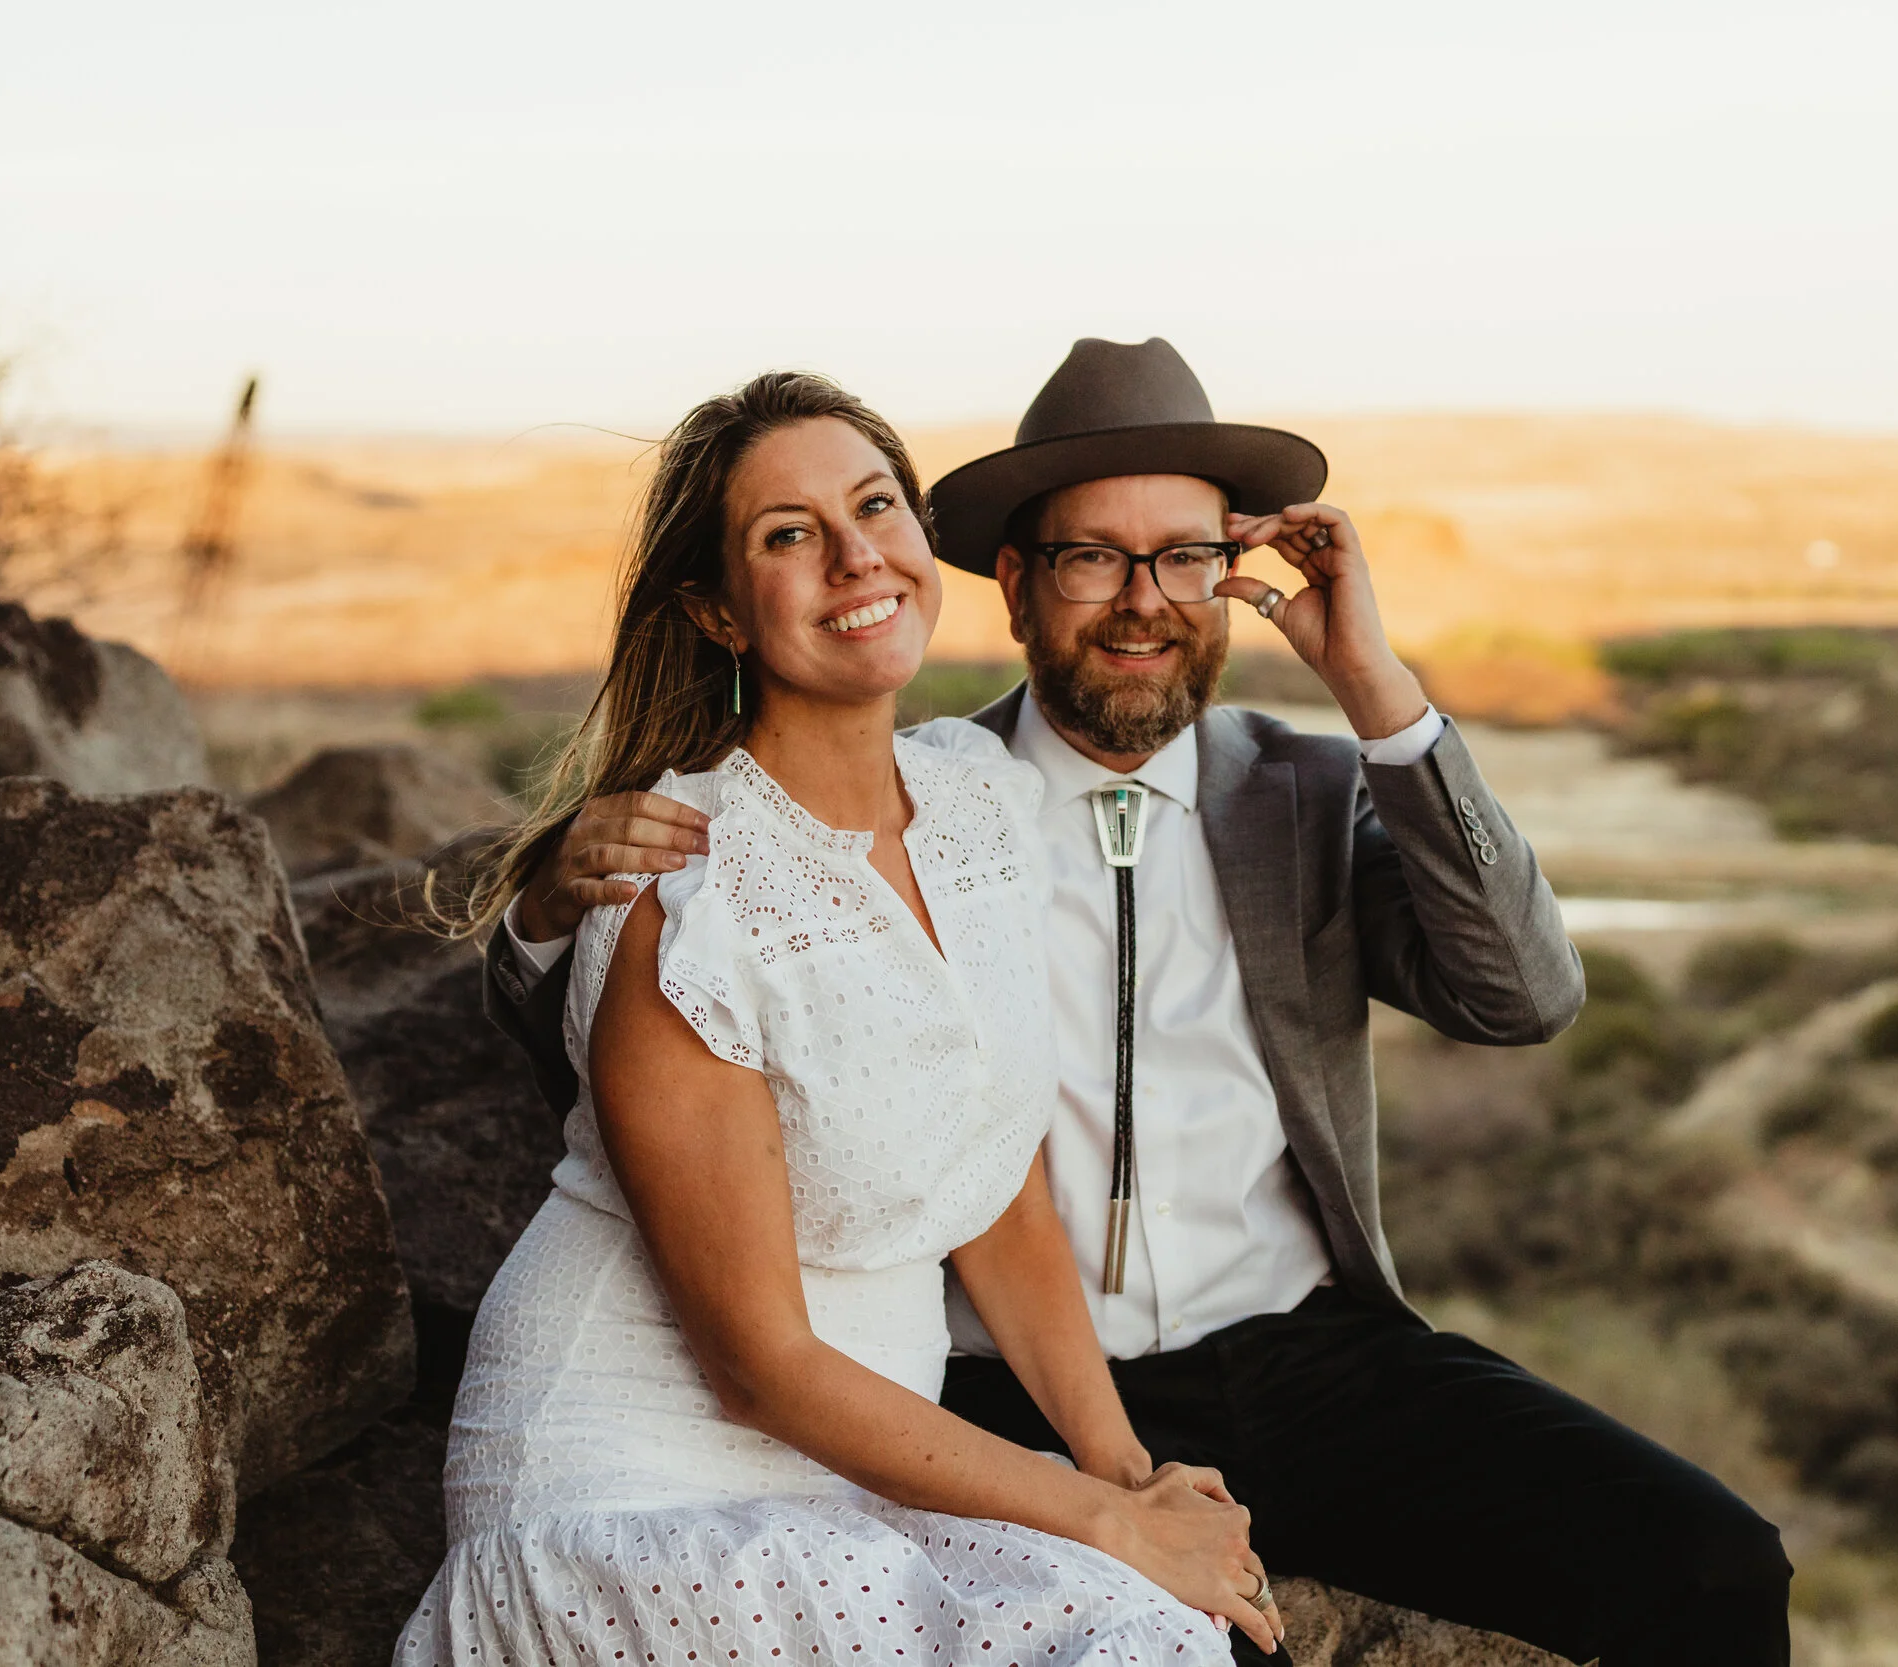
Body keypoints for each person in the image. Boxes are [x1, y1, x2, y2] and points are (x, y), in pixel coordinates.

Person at [489, 339, 1795, 1667]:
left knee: (1709, 1564)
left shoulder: (1303, 789)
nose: (1141, 600)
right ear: (1012, 582)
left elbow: (1522, 993)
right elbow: (659, 1024)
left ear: (1230, 581)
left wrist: (1376, 690)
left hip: (1313, 1354)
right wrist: (548, 906)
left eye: (1181, 557)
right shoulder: (927, 785)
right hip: (1006, 1384)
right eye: (1092, 558)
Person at [398, 371, 1279, 1667]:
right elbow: (757, 1363)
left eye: (877, 507)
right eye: (789, 533)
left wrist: (1133, 1479)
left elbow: (999, 1185)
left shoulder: (978, 800)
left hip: (857, 1481)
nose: (856, 554)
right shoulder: (687, 891)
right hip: (629, 1493)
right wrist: (1103, 1521)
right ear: (717, 607)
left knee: (1165, 1630)